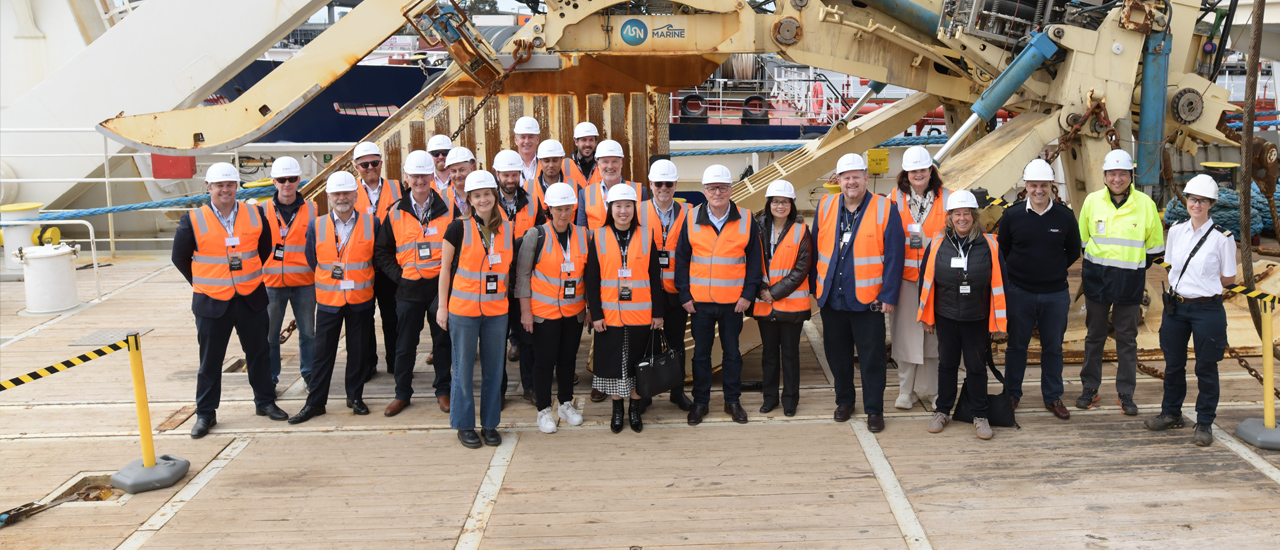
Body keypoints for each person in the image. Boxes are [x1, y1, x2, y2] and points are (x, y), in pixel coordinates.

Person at [173, 162, 288, 438]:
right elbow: (180, 258)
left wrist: (244, 278)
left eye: (230, 184)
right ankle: (205, 414)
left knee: (259, 354)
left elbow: (265, 247)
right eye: (220, 185)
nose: (225, 190)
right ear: (208, 188)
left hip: (250, 298)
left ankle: (265, 402)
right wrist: (203, 282)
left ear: (237, 186)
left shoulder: (255, 213)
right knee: (210, 361)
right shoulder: (193, 219)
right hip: (212, 301)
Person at [812, 153, 904, 432]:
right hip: (832, 298)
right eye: (845, 177)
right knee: (836, 354)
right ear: (837, 180)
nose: (851, 181)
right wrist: (815, 291)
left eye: (856, 176)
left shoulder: (885, 208)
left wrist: (888, 295)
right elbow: (816, 248)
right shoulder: (826, 205)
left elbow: (895, 256)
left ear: (866, 177)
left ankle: (874, 409)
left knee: (872, 358)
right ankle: (845, 401)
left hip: (868, 301)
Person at [1144, 175, 1237, 447]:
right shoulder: (1175, 231)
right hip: (1176, 308)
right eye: (1193, 199)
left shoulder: (1223, 238)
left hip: (1207, 309)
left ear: (1211, 204)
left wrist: (1203, 286)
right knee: (1174, 365)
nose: (1196, 204)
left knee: (1206, 368)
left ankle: (1204, 422)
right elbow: (1171, 264)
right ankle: (1171, 413)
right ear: (1187, 201)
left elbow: (1228, 278)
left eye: (1203, 201)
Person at [1076, 149, 1164, 415]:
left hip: (1129, 282)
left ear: (1130, 176)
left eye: (1122, 174)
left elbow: (1154, 248)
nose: (1117, 179)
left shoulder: (1145, 205)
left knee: (1127, 338)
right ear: (1104, 176)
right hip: (1097, 280)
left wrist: (1130, 266)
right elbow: (1083, 240)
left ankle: (1126, 393)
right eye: (1112, 174)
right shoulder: (1092, 202)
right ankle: (1089, 387)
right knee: (1094, 336)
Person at [676, 164, 763, 426]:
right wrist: (684, 296)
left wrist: (748, 295)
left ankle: (732, 401)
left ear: (731, 189)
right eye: (713, 188)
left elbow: (755, 261)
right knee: (701, 355)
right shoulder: (690, 218)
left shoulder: (746, 219)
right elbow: (681, 259)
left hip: (733, 304)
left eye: (723, 187)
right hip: (700, 303)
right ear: (704, 191)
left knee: (732, 354)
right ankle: (700, 403)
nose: (718, 192)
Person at [917, 190, 1008, 440]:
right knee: (946, 365)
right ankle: (942, 410)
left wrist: (999, 321)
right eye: (957, 214)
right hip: (946, 316)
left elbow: (1001, 283)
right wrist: (927, 316)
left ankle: (980, 415)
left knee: (976, 367)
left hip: (976, 317)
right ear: (950, 217)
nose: (962, 218)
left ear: (974, 216)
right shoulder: (937, 243)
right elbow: (925, 281)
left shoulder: (990, 244)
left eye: (966, 213)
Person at [289, 172, 379, 424]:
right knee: (322, 353)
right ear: (329, 197)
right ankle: (316, 403)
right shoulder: (316, 226)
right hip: (328, 301)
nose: (342, 198)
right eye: (337, 194)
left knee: (358, 351)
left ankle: (355, 397)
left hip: (360, 299)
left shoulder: (373, 223)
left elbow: (377, 259)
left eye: (347, 193)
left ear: (355, 195)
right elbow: (312, 259)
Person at [998, 159, 1081, 420]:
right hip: (1019, 292)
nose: (1038, 190)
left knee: (1053, 347)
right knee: (1016, 346)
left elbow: (1073, 250)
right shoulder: (1011, 216)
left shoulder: (1064, 216)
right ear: (1026, 186)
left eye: (1043, 185)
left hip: (1055, 293)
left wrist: (1052, 271)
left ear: (1051, 186)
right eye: (1033, 185)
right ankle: (1011, 394)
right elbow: (1004, 250)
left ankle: (1053, 396)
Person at [374, 150, 453, 417]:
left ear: (433, 175)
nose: (420, 180)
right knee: (404, 343)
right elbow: (382, 251)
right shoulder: (395, 211)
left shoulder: (448, 209)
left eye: (424, 175)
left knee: (442, 341)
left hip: (438, 288)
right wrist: (399, 276)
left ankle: (443, 390)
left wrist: (448, 280)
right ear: (406, 177)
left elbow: (461, 248)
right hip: (408, 288)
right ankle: (402, 393)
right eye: (415, 175)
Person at [437, 170, 513, 449]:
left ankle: (490, 424)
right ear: (468, 199)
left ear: (495, 195)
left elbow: (505, 270)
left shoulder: (508, 227)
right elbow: (444, 270)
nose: (483, 199)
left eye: (487, 194)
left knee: (495, 369)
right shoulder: (457, 228)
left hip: (496, 312)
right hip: (463, 311)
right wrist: (442, 308)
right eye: (477, 195)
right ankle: (464, 424)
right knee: (463, 369)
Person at [586, 184, 666, 433]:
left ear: (634, 208)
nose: (623, 211)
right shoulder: (597, 236)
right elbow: (591, 279)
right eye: (618, 206)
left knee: (636, 366)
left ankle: (635, 409)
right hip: (609, 317)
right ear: (610, 209)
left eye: (628, 206)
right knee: (614, 367)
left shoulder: (646, 235)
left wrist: (658, 313)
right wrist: (596, 314)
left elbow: (655, 276)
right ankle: (617, 409)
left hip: (640, 316)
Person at [516, 183, 588, 434]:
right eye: (559, 209)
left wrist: (588, 306)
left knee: (568, 360)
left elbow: (587, 274)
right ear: (549, 209)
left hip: (573, 312)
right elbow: (522, 276)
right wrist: (525, 312)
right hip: (543, 314)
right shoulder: (535, 236)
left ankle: (566, 404)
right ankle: (544, 410)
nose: (564, 214)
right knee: (544, 362)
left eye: (568, 208)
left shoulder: (583, 235)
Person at [887, 146, 947, 411]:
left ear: (930, 170)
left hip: (938, 280)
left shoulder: (949, 198)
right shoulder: (893, 199)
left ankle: (933, 391)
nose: (918, 174)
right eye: (913, 171)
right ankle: (905, 391)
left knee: (934, 338)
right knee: (904, 336)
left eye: (922, 169)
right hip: (906, 279)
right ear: (906, 173)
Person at [636, 159, 694, 411]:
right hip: (645, 291)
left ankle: (677, 391)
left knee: (676, 344)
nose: (663, 188)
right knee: (643, 345)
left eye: (668, 183)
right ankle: (644, 393)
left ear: (675, 185)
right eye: (658, 183)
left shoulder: (689, 212)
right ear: (650, 184)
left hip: (676, 292)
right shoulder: (637, 211)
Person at [750, 180, 812, 417]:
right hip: (764, 304)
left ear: (792, 205)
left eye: (785, 202)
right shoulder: (757, 228)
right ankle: (770, 398)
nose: (780, 206)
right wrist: (760, 289)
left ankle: (790, 400)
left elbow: (802, 268)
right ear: (769, 204)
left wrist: (773, 292)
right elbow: (751, 261)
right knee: (769, 354)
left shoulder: (801, 230)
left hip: (790, 305)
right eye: (776, 201)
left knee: (790, 354)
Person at [493, 149, 546, 403]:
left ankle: (530, 387)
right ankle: (499, 391)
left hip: (526, 280)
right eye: (506, 175)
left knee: (528, 337)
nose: (510, 179)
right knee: (498, 339)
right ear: (498, 175)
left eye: (514, 174)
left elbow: (543, 238)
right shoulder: (487, 203)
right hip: (499, 282)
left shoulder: (534, 203)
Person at [261, 156, 317, 388]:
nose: (287, 184)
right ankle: (270, 380)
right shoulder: (260, 210)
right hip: (271, 283)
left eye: (291, 179)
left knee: (308, 334)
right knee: (270, 337)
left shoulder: (312, 208)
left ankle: (311, 377)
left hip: (305, 283)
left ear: (299, 181)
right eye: (282, 179)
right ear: (274, 182)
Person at [351, 141, 401, 378]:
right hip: (362, 266)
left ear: (381, 163)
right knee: (363, 317)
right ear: (356, 167)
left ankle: (395, 361)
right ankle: (368, 362)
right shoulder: (349, 192)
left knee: (393, 316)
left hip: (390, 266)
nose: (370, 167)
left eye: (374, 162)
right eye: (364, 164)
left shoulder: (399, 188)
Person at [577, 139, 648, 229]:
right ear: (598, 163)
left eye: (614, 161)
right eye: (605, 162)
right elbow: (582, 232)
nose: (610, 166)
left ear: (621, 163)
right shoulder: (585, 194)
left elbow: (645, 229)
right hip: (596, 243)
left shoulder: (640, 191)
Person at [525, 139, 581, 208]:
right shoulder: (527, 188)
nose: (551, 165)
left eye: (555, 160)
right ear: (540, 162)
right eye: (547, 161)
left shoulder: (575, 187)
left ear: (561, 160)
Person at [444, 146, 477, 218]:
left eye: (462, 170)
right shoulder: (440, 197)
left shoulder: (483, 195)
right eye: (453, 171)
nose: (458, 175)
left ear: (471, 168)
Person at [567, 121, 601, 189]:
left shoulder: (603, 164)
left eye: (591, 140)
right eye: (584, 140)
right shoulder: (564, 165)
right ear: (576, 141)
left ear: (596, 142)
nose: (587, 144)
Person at [513, 116, 541, 182]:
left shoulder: (545, 163)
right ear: (516, 140)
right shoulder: (507, 164)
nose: (527, 141)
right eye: (523, 137)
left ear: (537, 139)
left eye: (531, 137)